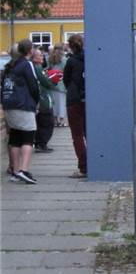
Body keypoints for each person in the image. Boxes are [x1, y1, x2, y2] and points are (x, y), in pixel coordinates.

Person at [1, 39, 39, 184]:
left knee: (15, 138)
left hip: (9, 104)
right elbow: (33, 86)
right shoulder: (26, 64)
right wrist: (35, 103)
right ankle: (23, 170)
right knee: (28, 137)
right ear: (29, 51)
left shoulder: (10, 66)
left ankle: (15, 171)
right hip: (23, 104)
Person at [64, 34, 87, 178]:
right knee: (89, 133)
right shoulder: (89, 60)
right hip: (88, 99)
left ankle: (84, 167)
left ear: (70, 46)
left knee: (77, 136)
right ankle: (96, 162)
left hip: (74, 100)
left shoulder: (71, 62)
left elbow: (66, 80)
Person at [32, 48, 57, 153]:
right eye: (40, 55)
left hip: (42, 99)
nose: (42, 56)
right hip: (44, 100)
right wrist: (53, 81)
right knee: (47, 123)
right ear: (34, 57)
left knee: (42, 123)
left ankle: (40, 144)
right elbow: (46, 83)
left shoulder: (37, 67)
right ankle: (41, 144)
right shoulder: (37, 68)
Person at [48, 44, 67, 127]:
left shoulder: (50, 59)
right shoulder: (64, 60)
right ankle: (62, 121)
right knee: (62, 103)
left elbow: (48, 69)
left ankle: (55, 120)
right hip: (61, 83)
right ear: (62, 50)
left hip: (52, 83)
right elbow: (66, 71)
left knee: (54, 103)